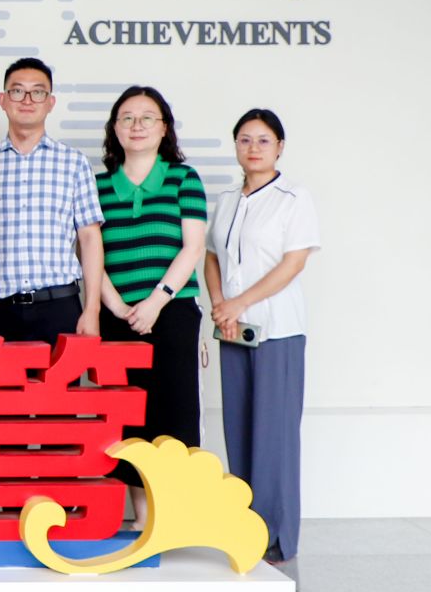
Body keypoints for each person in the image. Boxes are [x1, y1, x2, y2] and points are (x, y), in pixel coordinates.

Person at [204, 108, 320, 563]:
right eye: (245, 140)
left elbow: (294, 263)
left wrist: (239, 303)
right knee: (240, 428)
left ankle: (277, 535)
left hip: (277, 330)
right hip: (234, 330)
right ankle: (246, 526)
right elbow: (212, 256)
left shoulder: (294, 198)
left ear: (280, 147)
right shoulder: (228, 199)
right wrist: (221, 305)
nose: (253, 148)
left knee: (275, 433)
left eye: (263, 140)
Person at [94, 85, 208, 520]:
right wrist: (116, 307)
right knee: (128, 421)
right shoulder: (98, 185)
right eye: (127, 117)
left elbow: (192, 248)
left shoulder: (183, 178)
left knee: (173, 415)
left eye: (147, 117)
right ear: (114, 129)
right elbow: (90, 253)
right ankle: (142, 521)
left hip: (172, 313)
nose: (136, 125)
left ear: (164, 129)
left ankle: (169, 520)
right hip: (118, 317)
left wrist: (156, 302)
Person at [0, 58, 105, 348]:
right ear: (3, 100)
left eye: (37, 92)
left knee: (63, 381)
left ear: (50, 102)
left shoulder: (73, 162)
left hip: (59, 308)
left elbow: (89, 239)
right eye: (17, 91)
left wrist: (92, 309)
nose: (27, 100)